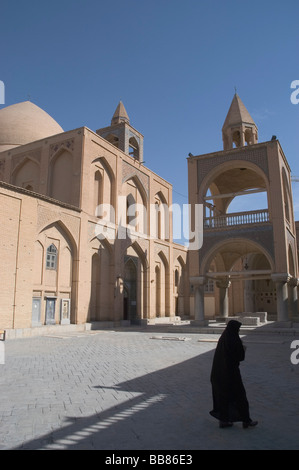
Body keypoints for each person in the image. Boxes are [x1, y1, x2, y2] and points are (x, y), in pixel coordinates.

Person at [209, 319, 258, 429]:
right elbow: (240, 356)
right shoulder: (234, 339)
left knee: (223, 398)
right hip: (231, 374)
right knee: (240, 397)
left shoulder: (224, 338)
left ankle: (224, 421)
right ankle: (246, 420)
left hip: (219, 374)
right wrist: (243, 349)